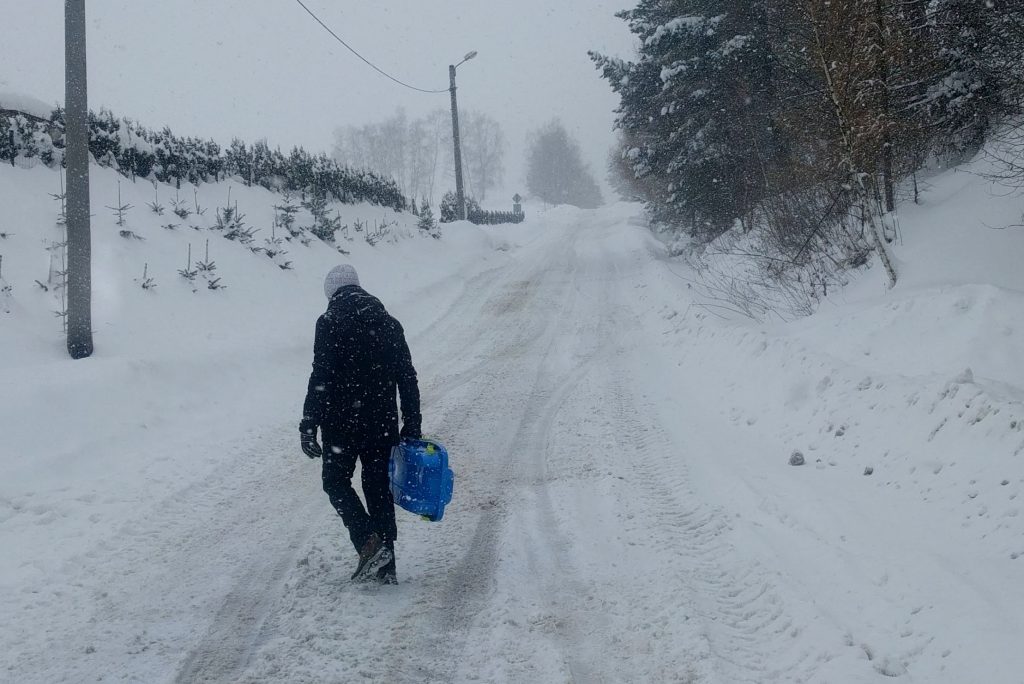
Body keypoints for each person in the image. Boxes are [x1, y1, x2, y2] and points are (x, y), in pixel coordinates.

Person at [300, 264, 421, 584]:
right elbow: (407, 377)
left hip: (341, 423)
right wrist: (412, 423)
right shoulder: (389, 323)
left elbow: (321, 376)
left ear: (332, 293)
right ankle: (387, 565)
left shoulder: (329, 322)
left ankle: (368, 542)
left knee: (335, 482)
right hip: (381, 423)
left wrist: (309, 422)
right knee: (378, 487)